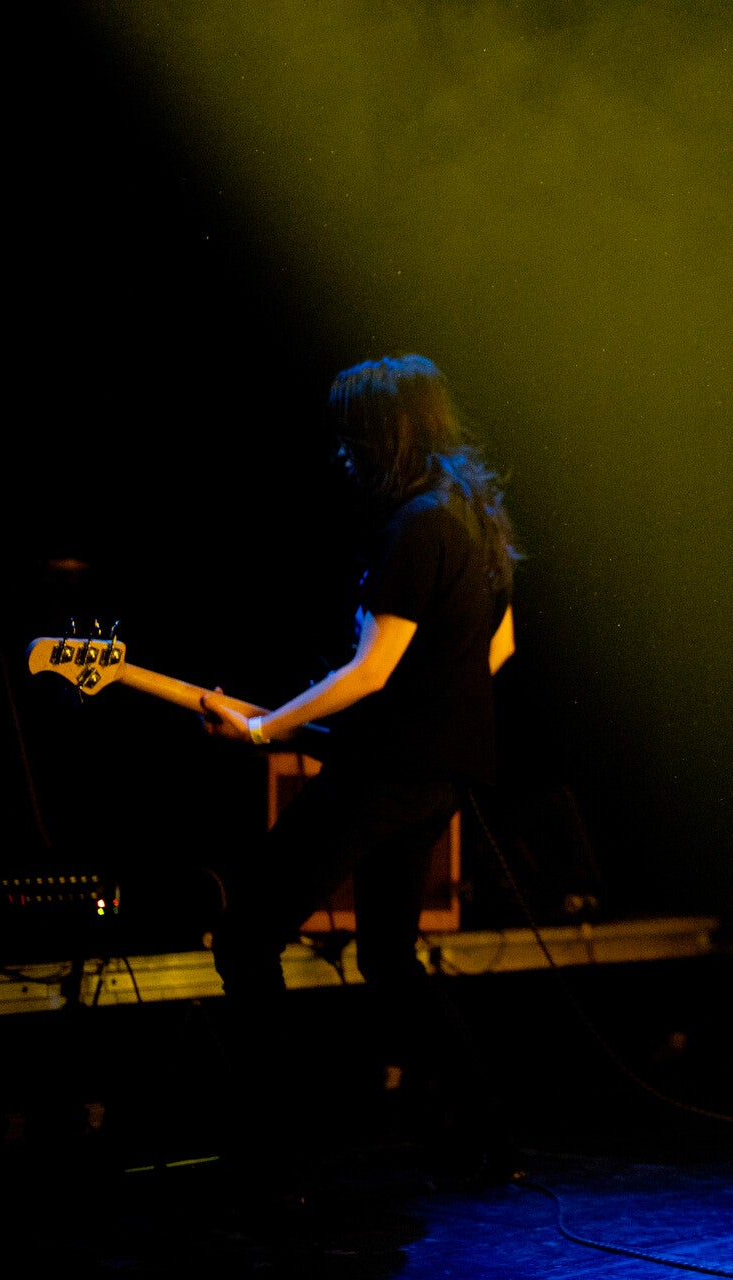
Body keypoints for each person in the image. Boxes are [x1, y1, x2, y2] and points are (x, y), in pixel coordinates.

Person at [199, 354, 518, 1182]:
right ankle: (487, 1134)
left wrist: (263, 728)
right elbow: (502, 647)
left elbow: (369, 672)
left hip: (385, 777)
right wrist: (436, 704)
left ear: (385, 432)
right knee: (387, 955)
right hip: (440, 778)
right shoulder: (476, 516)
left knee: (246, 937)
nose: (343, 451)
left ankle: (274, 1153)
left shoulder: (415, 526)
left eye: (352, 434)